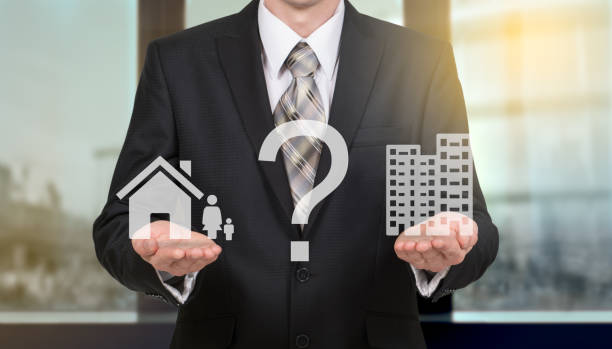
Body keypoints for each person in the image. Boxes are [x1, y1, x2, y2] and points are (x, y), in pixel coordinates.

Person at [93, 0, 499, 347]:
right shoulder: (179, 63)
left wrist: (447, 247)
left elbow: (466, 217)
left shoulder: (420, 64)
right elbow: (121, 223)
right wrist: (156, 253)